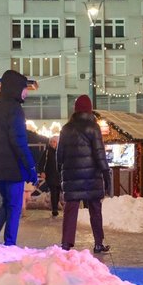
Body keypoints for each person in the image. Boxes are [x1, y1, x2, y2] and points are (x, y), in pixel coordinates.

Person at [0, 70, 37, 246]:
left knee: (7, 203)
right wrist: (31, 167)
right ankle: (10, 244)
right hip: (13, 167)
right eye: (24, 88)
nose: (26, 92)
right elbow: (19, 142)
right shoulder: (15, 110)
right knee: (14, 207)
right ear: (15, 89)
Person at [58, 94, 112, 253]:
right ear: (89, 110)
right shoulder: (93, 127)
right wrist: (106, 174)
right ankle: (98, 243)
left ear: (75, 111)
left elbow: (59, 155)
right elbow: (99, 153)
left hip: (72, 176)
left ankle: (66, 243)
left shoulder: (66, 129)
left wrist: (61, 171)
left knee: (71, 209)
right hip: (91, 176)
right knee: (95, 209)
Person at [39, 135, 61, 217]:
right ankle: (54, 209)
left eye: (54, 142)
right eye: (51, 142)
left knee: (58, 191)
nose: (52, 143)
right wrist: (42, 171)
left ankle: (56, 206)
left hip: (59, 175)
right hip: (50, 175)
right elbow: (41, 163)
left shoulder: (60, 151)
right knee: (53, 191)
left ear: (57, 143)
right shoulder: (47, 152)